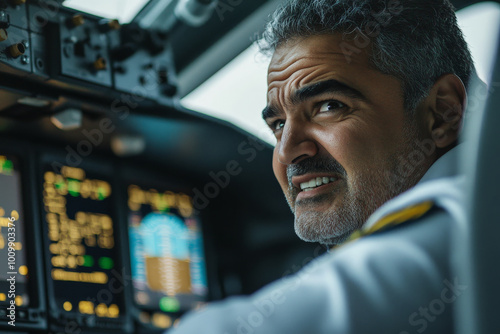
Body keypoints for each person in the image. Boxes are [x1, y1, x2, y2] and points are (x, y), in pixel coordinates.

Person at [169, 0, 472, 332]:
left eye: (328, 106)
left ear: (443, 113)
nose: (287, 152)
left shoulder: (464, 225)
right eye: (278, 125)